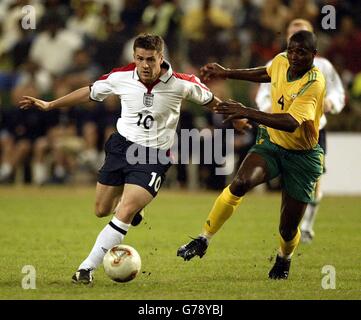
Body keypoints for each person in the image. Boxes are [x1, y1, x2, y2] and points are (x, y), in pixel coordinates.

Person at [20, 34, 218, 285]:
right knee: (101, 210)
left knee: (123, 211)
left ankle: (85, 268)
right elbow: (90, 92)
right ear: (134, 57)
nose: (145, 65)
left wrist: (239, 116)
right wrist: (50, 105)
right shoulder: (120, 76)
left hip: (153, 155)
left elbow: (210, 100)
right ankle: (135, 206)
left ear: (161, 58)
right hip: (121, 147)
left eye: (150, 59)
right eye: (140, 59)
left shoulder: (181, 83)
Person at [177, 30, 325, 279]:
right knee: (241, 183)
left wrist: (246, 111)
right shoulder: (281, 60)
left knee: (288, 229)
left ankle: (284, 257)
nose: (295, 56)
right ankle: (203, 238)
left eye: (302, 52)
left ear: (314, 55)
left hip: (302, 156)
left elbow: (290, 122)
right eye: (291, 50)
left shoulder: (314, 82)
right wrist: (226, 72)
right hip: (272, 144)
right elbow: (264, 73)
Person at [255, 19, 345, 243]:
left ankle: (306, 227)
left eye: (302, 34)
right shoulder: (276, 63)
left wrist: (331, 103)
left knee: (313, 181)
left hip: (312, 131)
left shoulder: (323, 67)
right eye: (292, 34)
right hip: (279, 129)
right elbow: (262, 94)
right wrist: (267, 108)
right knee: (284, 180)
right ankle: (291, 227)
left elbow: (338, 93)